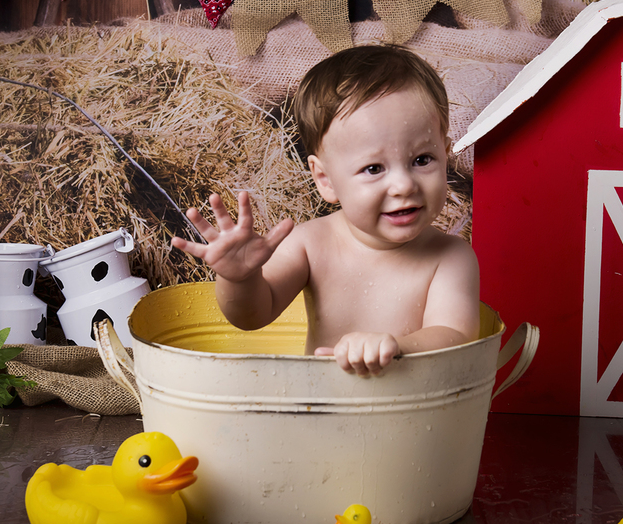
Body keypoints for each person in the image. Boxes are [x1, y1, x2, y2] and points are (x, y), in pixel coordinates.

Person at [172, 45, 481, 376]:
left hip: (415, 416)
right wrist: (241, 279)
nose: (404, 185)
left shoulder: (450, 257)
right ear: (326, 179)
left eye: (422, 160)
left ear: (446, 155)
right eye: (374, 168)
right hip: (320, 412)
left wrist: (395, 345)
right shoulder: (310, 243)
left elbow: (457, 336)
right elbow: (252, 316)